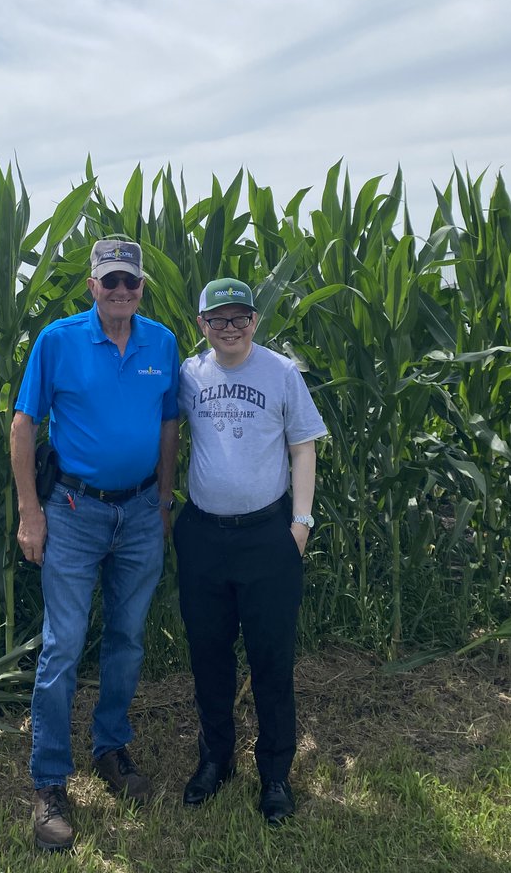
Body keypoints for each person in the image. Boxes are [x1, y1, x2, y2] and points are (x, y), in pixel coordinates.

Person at [10, 239, 180, 851]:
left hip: (140, 511)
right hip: (74, 511)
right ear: (92, 286)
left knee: (127, 638)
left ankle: (111, 747)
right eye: (111, 281)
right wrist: (30, 511)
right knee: (63, 645)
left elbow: (169, 424)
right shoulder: (58, 341)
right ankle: (50, 780)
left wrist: (164, 501)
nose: (121, 292)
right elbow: (23, 424)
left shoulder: (162, 343)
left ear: (141, 288)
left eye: (131, 282)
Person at [173, 277, 327, 825]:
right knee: (208, 655)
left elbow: (303, 447)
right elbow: (163, 430)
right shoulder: (190, 374)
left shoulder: (281, 373)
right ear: (202, 325)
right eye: (218, 320)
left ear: (255, 322)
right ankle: (216, 760)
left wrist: (301, 523)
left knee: (271, 659)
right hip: (203, 535)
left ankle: (275, 773)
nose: (230, 328)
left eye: (240, 318)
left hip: (268, 535)